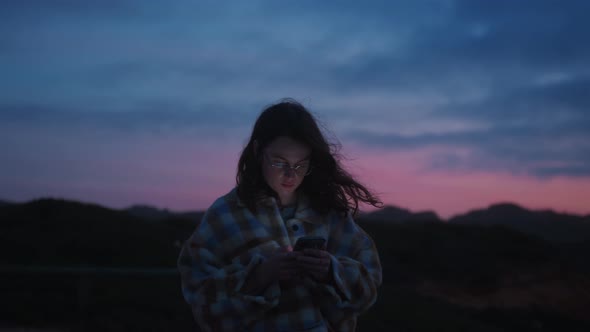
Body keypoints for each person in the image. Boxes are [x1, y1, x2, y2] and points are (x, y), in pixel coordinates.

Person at [178, 99, 383, 332]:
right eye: (279, 162)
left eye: (301, 165)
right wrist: (260, 276)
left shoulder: (329, 214)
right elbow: (202, 303)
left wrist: (331, 271)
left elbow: (368, 289)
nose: (290, 174)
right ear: (257, 151)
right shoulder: (225, 216)